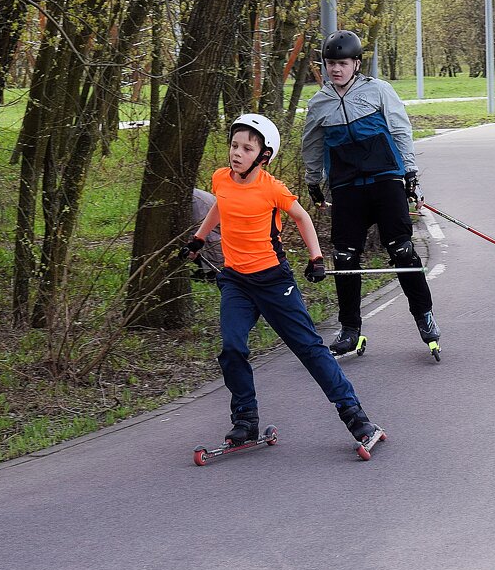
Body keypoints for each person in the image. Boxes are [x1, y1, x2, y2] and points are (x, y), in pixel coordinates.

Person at [184, 113, 379, 446]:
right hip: (236, 282)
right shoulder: (221, 179)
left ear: (263, 155)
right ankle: (245, 420)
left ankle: (357, 419)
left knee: (309, 348)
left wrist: (316, 258)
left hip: (274, 281)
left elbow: (302, 217)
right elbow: (220, 206)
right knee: (232, 348)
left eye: (247, 148)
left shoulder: (272, 188)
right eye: (234, 145)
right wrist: (200, 239)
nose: (236, 153)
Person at [301, 29, 440, 359]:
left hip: (385, 180)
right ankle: (350, 329)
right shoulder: (319, 103)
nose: (335, 69)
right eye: (330, 63)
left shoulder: (378, 91)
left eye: (342, 63)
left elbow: (400, 130)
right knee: (346, 257)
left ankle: (424, 317)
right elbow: (312, 144)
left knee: (402, 250)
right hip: (347, 186)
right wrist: (313, 181)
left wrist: (410, 175)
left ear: (356, 64)